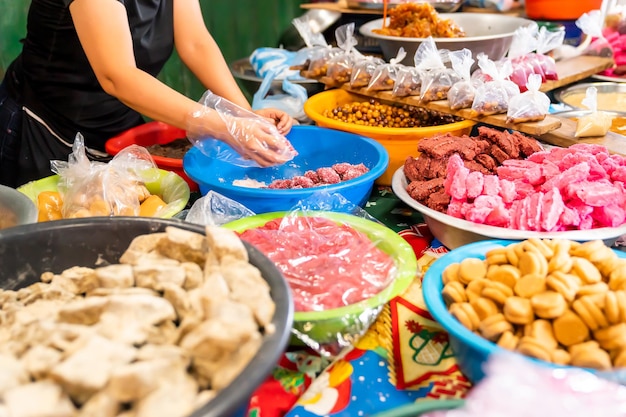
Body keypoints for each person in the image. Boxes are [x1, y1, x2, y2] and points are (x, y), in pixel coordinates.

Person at [0, 0, 295, 188]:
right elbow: (118, 77)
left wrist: (243, 114)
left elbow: (195, 42)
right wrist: (222, 125)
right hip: (45, 125)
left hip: (118, 119)